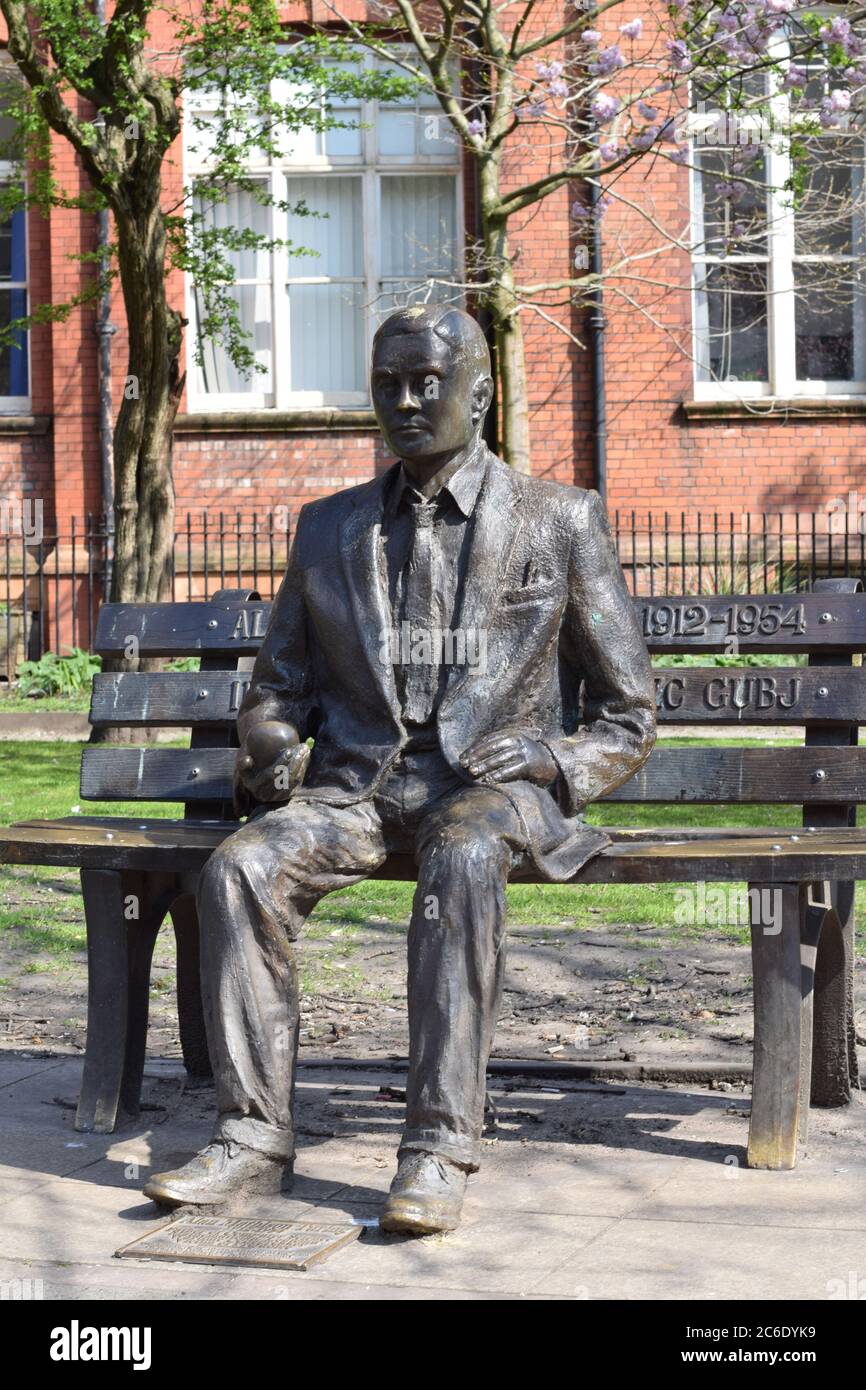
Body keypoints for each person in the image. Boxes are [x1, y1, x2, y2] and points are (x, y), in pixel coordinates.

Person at [144, 304, 656, 1235]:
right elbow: (279, 691)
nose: (409, 401)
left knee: (460, 858)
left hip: (492, 795)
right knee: (240, 867)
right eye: (390, 385)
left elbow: (629, 717)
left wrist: (549, 754)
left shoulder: (561, 520)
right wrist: (266, 741)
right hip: (360, 792)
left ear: (482, 394)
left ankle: (435, 1147)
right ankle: (252, 1138)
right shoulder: (327, 528)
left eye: (429, 382)